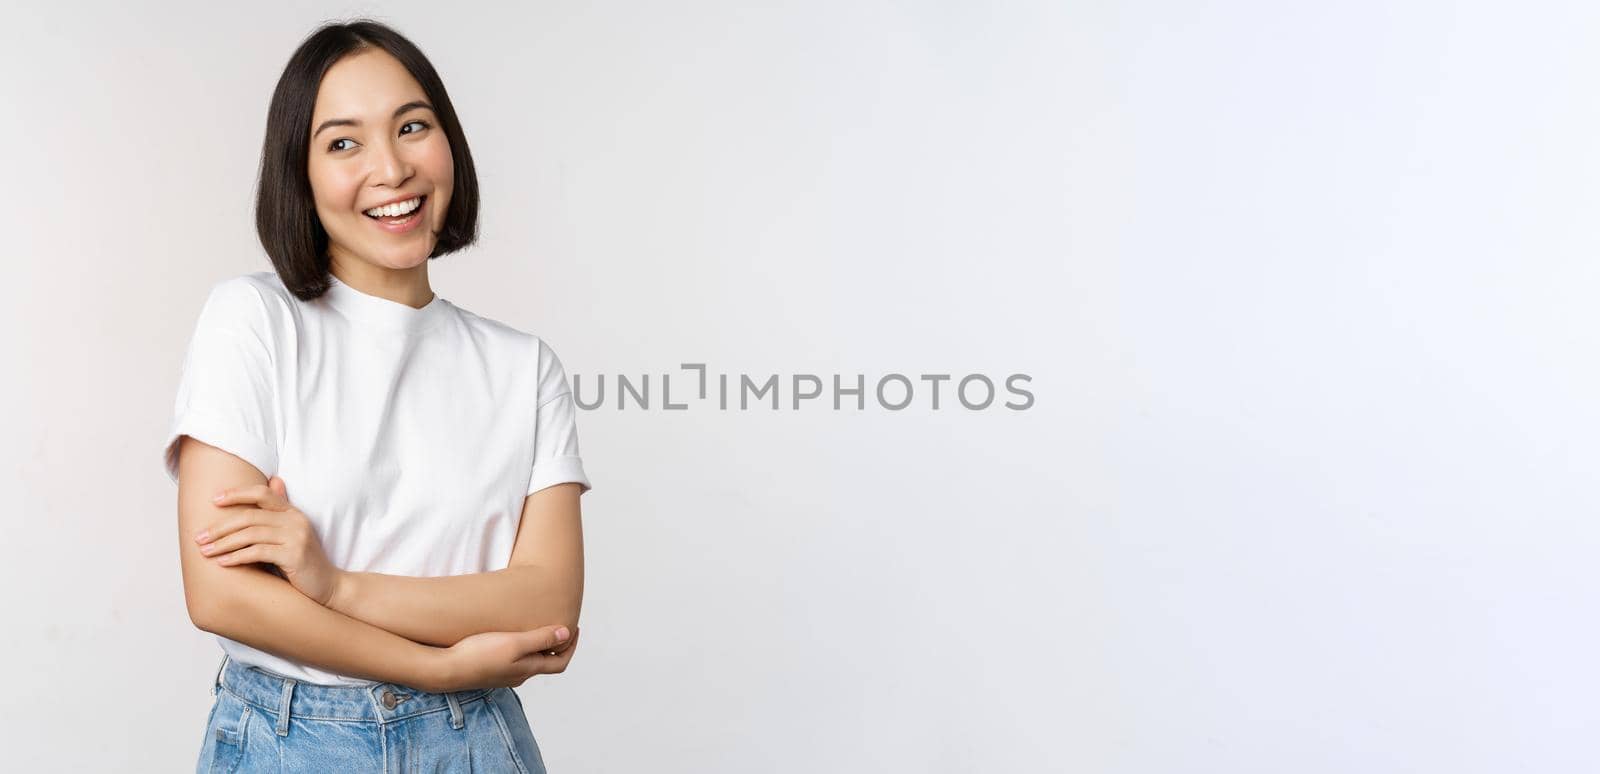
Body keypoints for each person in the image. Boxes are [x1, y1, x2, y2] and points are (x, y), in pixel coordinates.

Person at [161, 19, 589, 773]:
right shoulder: (253, 321)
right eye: (343, 142)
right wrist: (435, 666)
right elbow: (222, 595)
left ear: (448, 142)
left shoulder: (524, 369)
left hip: (476, 741)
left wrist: (333, 584)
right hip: (290, 741)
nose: (391, 168)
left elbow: (545, 603)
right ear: (300, 173)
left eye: (413, 127)